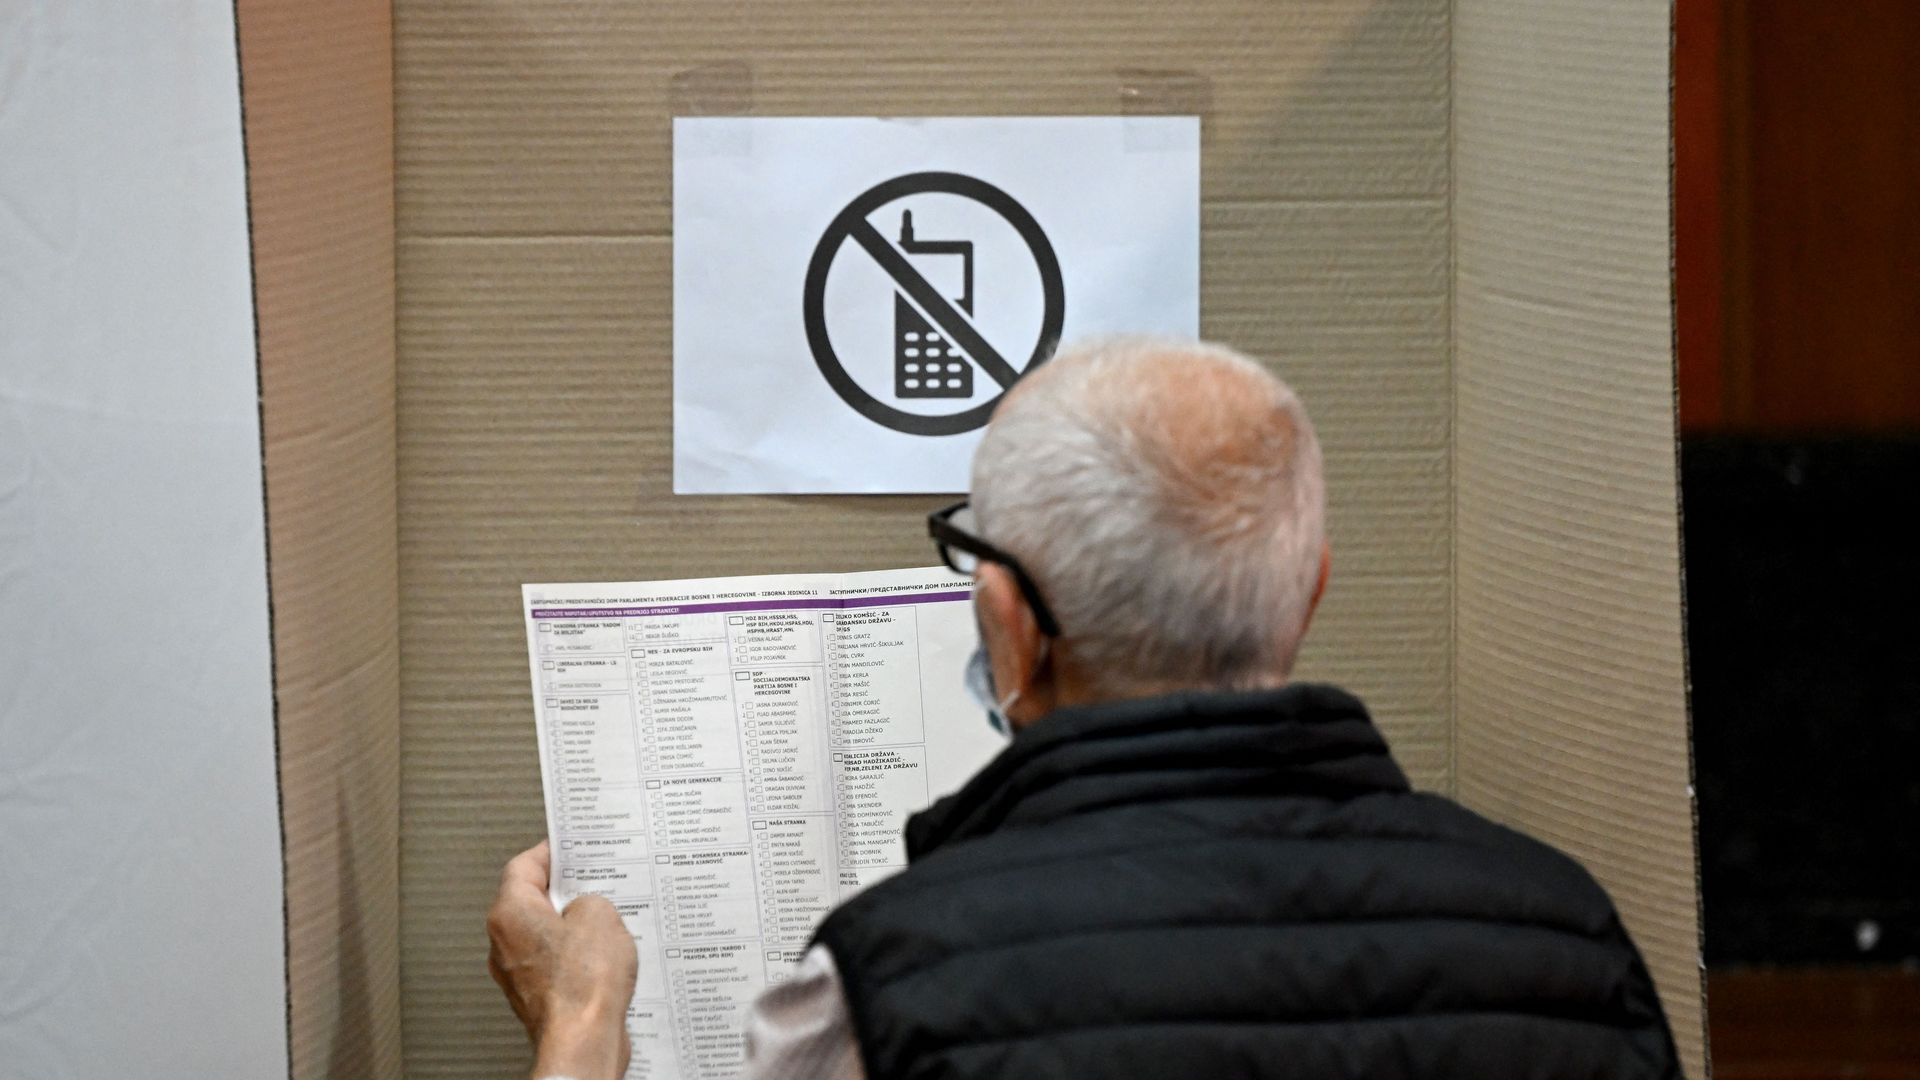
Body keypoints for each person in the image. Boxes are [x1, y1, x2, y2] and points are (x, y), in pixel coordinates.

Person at [488, 336, 1683, 1080]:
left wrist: (581, 1018)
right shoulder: (1569, 940)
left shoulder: (891, 984)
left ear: (1009, 619)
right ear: (1308, 592)